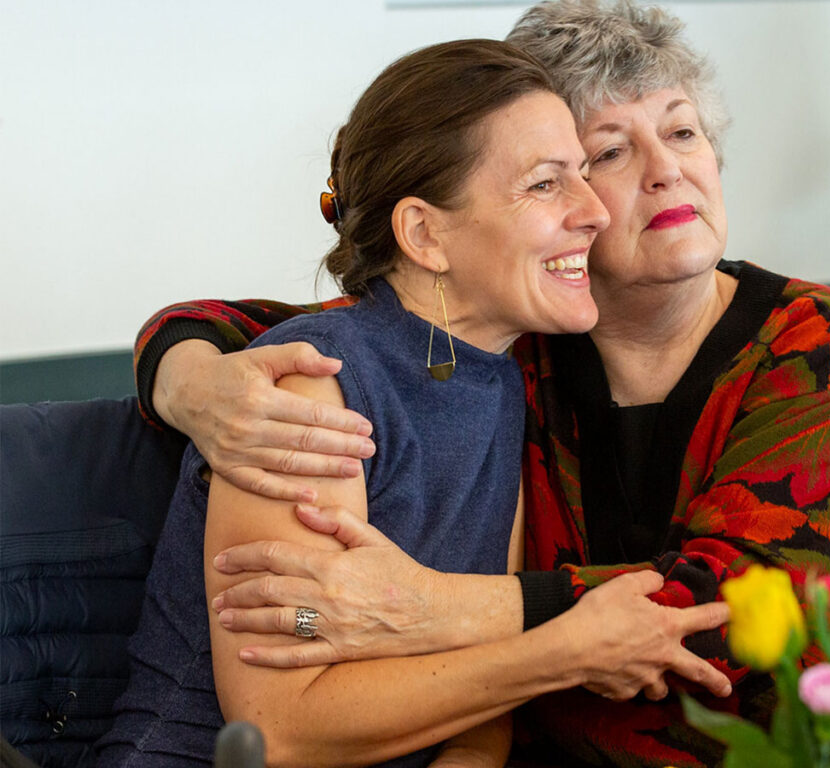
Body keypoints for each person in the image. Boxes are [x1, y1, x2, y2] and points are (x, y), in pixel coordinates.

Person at [131, 1, 830, 765]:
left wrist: (429, 608)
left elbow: (735, 611)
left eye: (684, 131)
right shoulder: (506, 341)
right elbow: (326, 325)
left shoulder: (822, 344)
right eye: (602, 156)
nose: (665, 172)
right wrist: (190, 377)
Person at [96, 37, 734, 768]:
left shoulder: (500, 379)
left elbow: (478, 720)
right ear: (426, 234)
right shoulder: (314, 387)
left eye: (585, 175)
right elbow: (283, 724)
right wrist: (560, 653)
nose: (595, 211)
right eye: (547, 183)